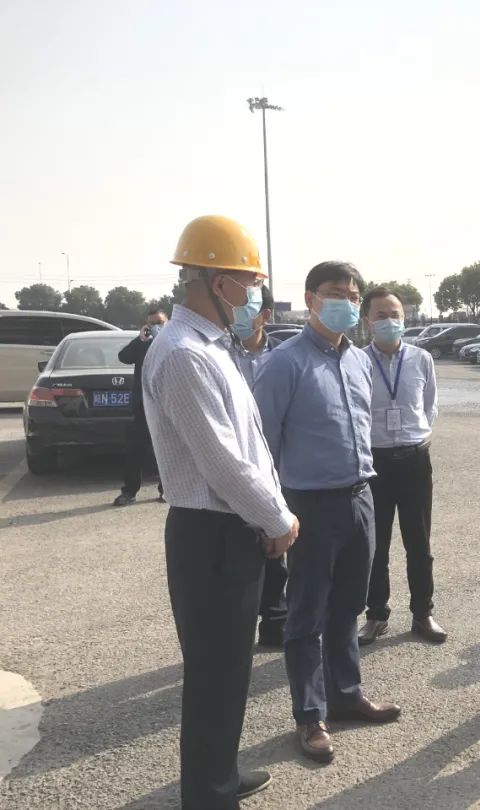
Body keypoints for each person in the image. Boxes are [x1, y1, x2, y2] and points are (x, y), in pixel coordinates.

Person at [143, 215, 298, 807]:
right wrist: (278, 519)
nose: (254, 293)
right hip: (211, 532)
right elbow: (223, 463)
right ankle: (209, 795)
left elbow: (247, 445)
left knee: (230, 668)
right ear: (216, 281)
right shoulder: (184, 354)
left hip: (230, 527)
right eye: (248, 281)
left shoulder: (210, 346)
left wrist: (269, 511)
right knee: (215, 672)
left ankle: (220, 775)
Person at [254, 261, 400, 765]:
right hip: (310, 504)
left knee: (349, 605)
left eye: (354, 296)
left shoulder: (358, 360)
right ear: (311, 299)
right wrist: (271, 511)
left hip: (360, 497)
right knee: (306, 614)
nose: (347, 303)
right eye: (337, 293)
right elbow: (263, 444)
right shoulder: (284, 363)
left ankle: (346, 694)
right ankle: (310, 715)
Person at [358, 286, 446, 646]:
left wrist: (414, 435)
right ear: (367, 321)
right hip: (374, 463)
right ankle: (376, 615)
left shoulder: (421, 359)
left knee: (419, 543)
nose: (389, 321)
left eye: (394, 315)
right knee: (375, 545)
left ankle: (423, 613)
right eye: (380, 315)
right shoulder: (357, 361)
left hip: (414, 461)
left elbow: (429, 406)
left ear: (404, 318)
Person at [230, 285, 291, 649]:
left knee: (279, 540)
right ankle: (237, 625)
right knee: (240, 545)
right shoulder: (217, 354)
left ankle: (275, 618)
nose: (235, 314)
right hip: (233, 462)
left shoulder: (284, 357)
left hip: (278, 462)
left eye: (244, 307)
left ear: (265, 315)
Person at [113, 308, 168, 506]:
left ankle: (167, 491)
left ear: (167, 322)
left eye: (159, 323)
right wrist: (140, 340)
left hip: (166, 406)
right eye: (151, 323)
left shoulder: (173, 342)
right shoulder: (142, 344)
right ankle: (129, 491)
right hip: (142, 405)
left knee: (167, 450)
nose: (155, 327)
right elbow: (124, 357)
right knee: (135, 450)